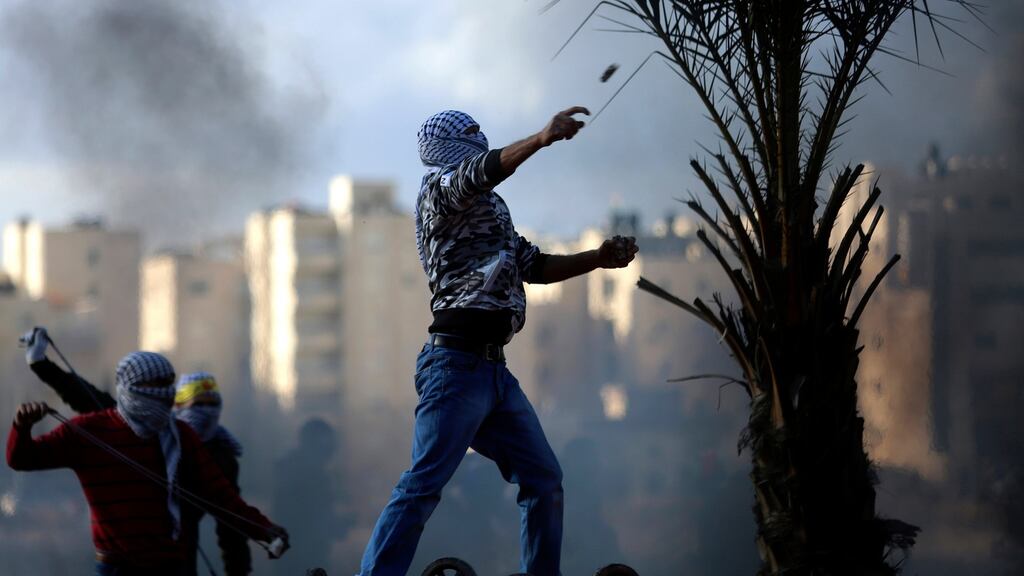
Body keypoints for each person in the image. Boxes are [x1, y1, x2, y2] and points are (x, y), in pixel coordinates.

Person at [357, 107, 639, 576]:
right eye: (469, 135)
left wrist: (597, 258)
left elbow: (534, 264)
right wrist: (543, 138)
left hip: (494, 374)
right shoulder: (441, 190)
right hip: (454, 368)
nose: (479, 139)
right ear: (446, 147)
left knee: (544, 480)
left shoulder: (490, 207)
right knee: (423, 485)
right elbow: (482, 170)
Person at [7, 350, 288, 576]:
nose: (165, 395)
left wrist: (263, 529)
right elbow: (22, 459)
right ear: (131, 389)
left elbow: (221, 496)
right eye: (155, 387)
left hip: (172, 565)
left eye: (169, 386)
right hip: (117, 568)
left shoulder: (180, 435)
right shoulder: (89, 431)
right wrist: (22, 426)